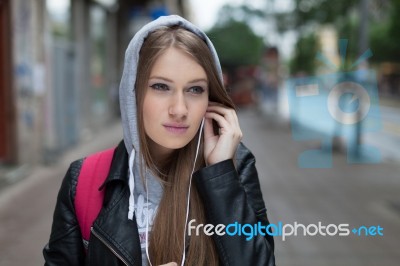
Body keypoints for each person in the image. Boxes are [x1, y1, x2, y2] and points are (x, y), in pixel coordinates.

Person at [43, 15, 275, 266]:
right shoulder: (85, 179)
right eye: (161, 87)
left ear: (212, 100)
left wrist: (221, 176)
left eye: (195, 89)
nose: (179, 109)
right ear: (133, 91)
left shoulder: (235, 167)